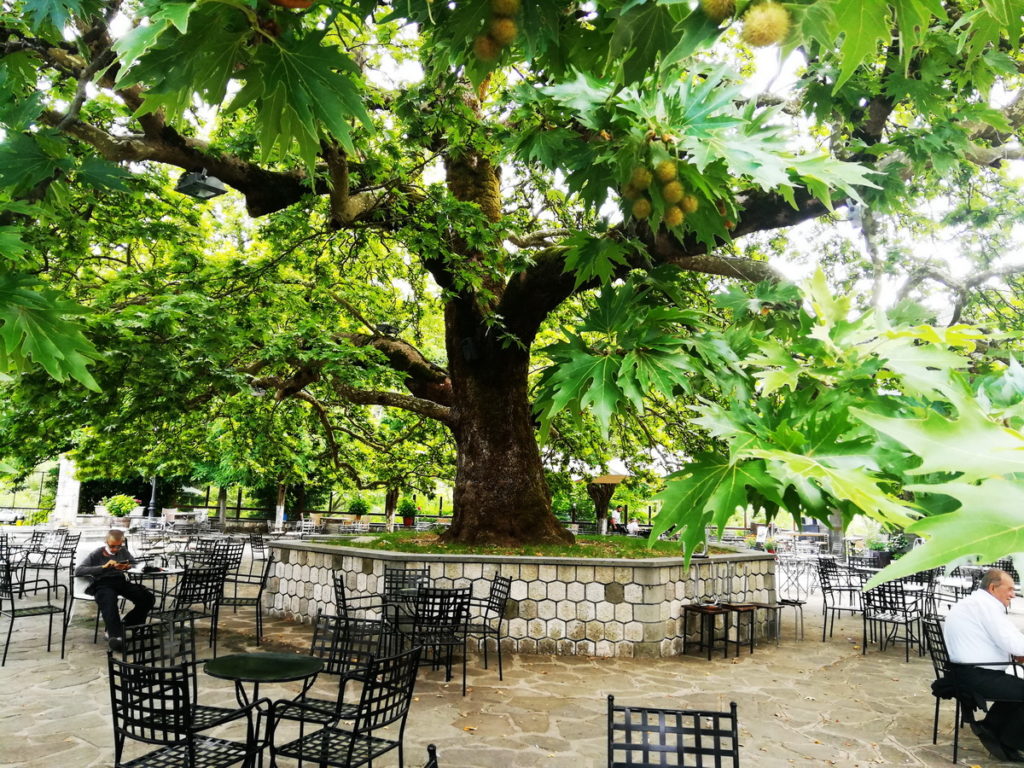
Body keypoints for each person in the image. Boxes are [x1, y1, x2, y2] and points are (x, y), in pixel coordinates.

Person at [944, 568, 1024, 761]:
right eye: (1010, 589)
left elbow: (1006, 640)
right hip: (975, 675)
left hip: (964, 672)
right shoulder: (986, 606)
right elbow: (1015, 643)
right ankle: (1006, 740)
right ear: (993, 588)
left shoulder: (976, 603)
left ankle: (991, 727)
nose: (1013, 594)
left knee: (1017, 685)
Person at [74, 529, 154, 651]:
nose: (115, 549)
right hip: (102, 583)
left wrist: (127, 566)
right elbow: (79, 571)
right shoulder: (97, 553)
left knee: (147, 598)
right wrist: (103, 567)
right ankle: (116, 637)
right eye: (112, 546)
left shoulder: (123, 551)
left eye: (118, 546)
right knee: (109, 601)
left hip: (120, 581)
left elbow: (134, 564)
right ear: (106, 542)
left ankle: (124, 625)